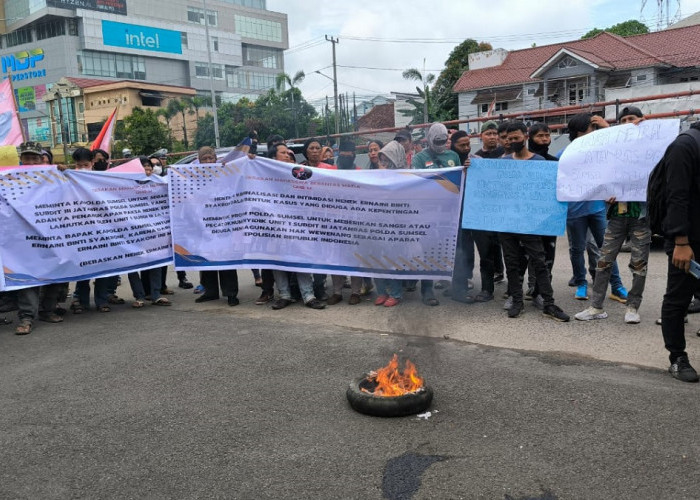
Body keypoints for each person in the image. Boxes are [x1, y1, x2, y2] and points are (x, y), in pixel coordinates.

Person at [575, 107, 651, 325]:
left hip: (640, 215)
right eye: (624, 119)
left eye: (632, 119)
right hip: (617, 214)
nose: (628, 122)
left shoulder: (647, 146)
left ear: (642, 121)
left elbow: (634, 156)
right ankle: (596, 306)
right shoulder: (611, 147)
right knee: (604, 260)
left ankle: (633, 307)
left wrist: (611, 129)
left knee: (639, 263)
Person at [498, 122, 570, 322]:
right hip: (507, 222)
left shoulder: (540, 162)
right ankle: (517, 302)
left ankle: (549, 303)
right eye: (509, 139)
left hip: (531, 223)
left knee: (539, 261)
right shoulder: (501, 163)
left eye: (516, 138)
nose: (513, 141)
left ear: (525, 137)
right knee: (511, 263)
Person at [564, 113, 628, 303]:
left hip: (597, 208)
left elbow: (621, 149)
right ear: (581, 131)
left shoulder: (600, 150)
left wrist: (606, 126)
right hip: (574, 211)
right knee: (577, 249)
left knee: (606, 248)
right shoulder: (566, 154)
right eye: (593, 128)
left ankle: (616, 286)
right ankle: (581, 283)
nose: (595, 131)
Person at [659, 121, 700, 382]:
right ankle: (677, 357)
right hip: (689, 242)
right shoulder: (685, 146)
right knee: (678, 298)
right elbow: (676, 196)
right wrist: (681, 242)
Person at [13, 142, 65, 335]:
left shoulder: (52, 176)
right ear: (21, 159)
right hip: (22, 238)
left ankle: (47, 310)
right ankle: (26, 318)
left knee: (55, 273)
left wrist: (63, 172)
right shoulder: (10, 178)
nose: (31, 161)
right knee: (28, 277)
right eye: (27, 158)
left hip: (51, 234)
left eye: (35, 158)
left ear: (42, 158)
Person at [411, 123, 460, 306]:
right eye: (436, 141)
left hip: (449, 213)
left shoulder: (453, 156)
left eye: (443, 141)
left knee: (451, 249)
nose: (440, 144)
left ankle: (453, 285)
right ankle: (427, 290)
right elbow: (416, 183)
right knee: (428, 251)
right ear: (429, 139)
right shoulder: (419, 158)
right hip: (427, 214)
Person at [193, 146, 240, 306]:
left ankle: (231, 293)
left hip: (223, 224)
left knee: (225, 258)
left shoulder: (225, 174)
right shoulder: (192, 177)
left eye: (210, 158)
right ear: (199, 161)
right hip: (203, 225)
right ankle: (210, 292)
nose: (208, 162)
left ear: (215, 159)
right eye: (204, 159)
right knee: (206, 259)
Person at [372, 141, 408, 307]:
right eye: (382, 160)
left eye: (388, 160)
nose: (384, 164)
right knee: (375, 258)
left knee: (391, 260)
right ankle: (381, 291)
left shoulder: (407, 176)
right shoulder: (374, 174)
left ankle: (395, 293)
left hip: (395, 225)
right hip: (376, 224)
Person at [448, 130, 478, 301]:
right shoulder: (448, 162)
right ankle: (456, 289)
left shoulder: (475, 161)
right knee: (454, 251)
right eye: (462, 145)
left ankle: (462, 283)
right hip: (450, 216)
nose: (466, 148)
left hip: (469, 215)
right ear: (453, 146)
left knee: (466, 249)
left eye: (468, 144)